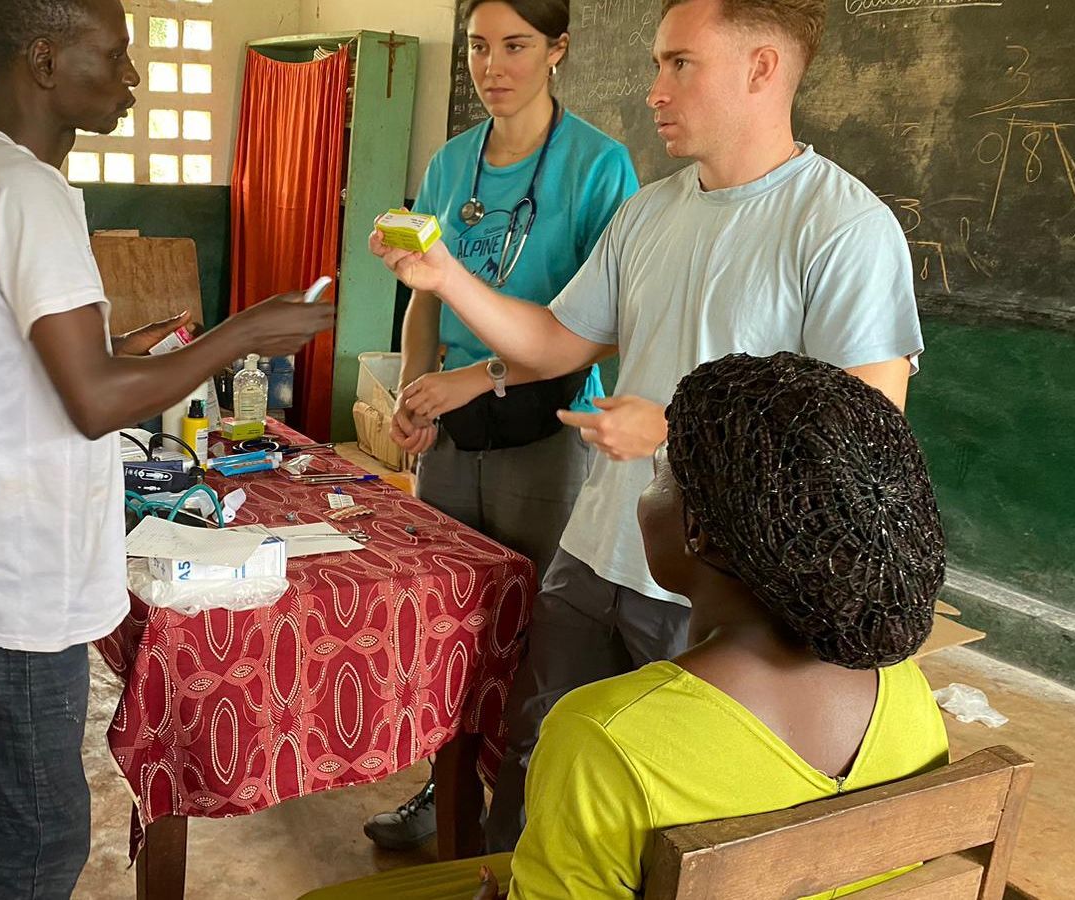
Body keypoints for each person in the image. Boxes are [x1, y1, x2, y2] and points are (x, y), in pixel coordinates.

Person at [372, 0, 924, 851]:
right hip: (598, 547)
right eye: (658, 64)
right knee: (540, 748)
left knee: (668, 802)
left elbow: (863, 434)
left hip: (719, 581)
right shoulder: (651, 213)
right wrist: (445, 278)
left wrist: (670, 429)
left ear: (762, 68)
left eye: (680, 64)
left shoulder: (843, 228)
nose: (654, 90)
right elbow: (556, 341)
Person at [0, 0, 335, 896]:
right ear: (43, 59)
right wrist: (246, 331)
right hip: (19, 579)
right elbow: (96, 404)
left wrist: (129, 351)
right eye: (114, 55)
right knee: (39, 849)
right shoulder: (27, 190)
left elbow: (39, 368)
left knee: (21, 831)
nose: (131, 78)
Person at [303, 351, 949, 900]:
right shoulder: (907, 695)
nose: (646, 489)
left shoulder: (603, 737)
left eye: (661, 473)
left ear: (700, 534)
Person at [363, 0, 639, 851]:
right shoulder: (454, 162)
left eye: (517, 45)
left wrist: (468, 379)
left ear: (558, 49)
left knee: (529, 628)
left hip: (541, 425)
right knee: (443, 617)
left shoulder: (601, 168)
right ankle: (441, 794)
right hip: (451, 423)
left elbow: (592, 330)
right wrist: (414, 388)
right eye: (480, 47)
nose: (493, 66)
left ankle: (515, 810)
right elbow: (423, 290)